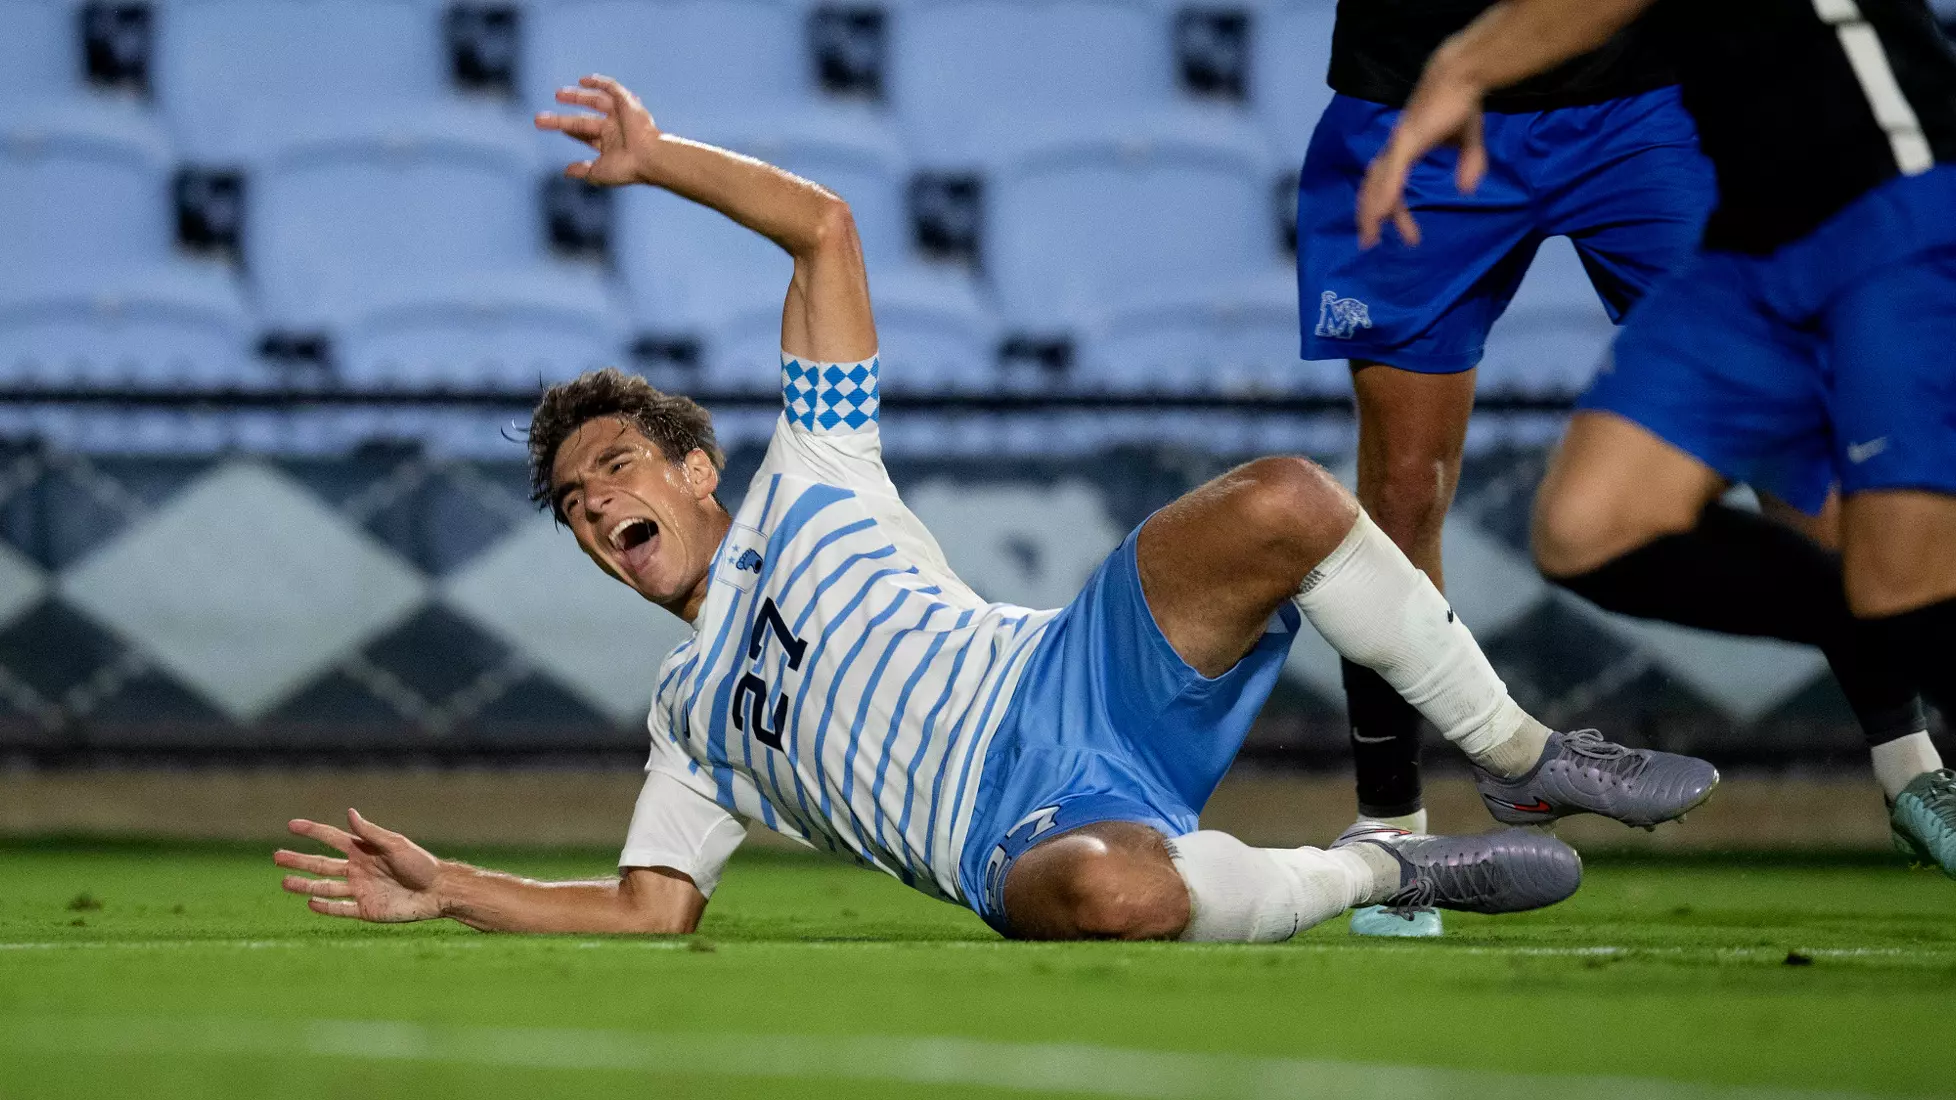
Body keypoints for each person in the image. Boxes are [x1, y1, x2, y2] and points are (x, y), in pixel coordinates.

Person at [273, 75, 1720, 941]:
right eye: (578, 504)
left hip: (1073, 665)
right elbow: (653, 907)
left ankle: (1521, 755)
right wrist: (449, 884)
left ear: (695, 468)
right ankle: (1374, 870)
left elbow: (826, 229)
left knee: (1282, 497)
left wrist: (660, 164)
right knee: (1109, 902)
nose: (598, 504)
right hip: (1013, 829)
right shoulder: (688, 716)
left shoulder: (815, 479)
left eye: (615, 468)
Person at [1357, 0, 1956, 878]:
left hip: (1889, 201)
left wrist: (1463, 67)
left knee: (1906, 585)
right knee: (1591, 529)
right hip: (1754, 245)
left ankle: (1895, 659)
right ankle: (1874, 616)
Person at [1295, 0, 1718, 936]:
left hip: (1632, 95)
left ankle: (1913, 762)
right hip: (1406, 96)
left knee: (1781, 410)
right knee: (1401, 493)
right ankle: (1392, 833)